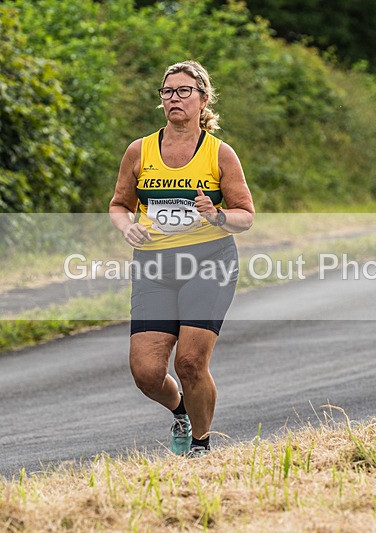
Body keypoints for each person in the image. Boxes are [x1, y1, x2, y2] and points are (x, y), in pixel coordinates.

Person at [109, 60, 254, 456]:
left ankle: (201, 448)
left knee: (189, 363)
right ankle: (181, 412)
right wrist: (126, 227)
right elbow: (119, 204)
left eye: (184, 91)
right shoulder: (138, 151)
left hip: (209, 263)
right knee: (147, 372)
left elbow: (246, 215)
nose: (174, 98)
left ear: (203, 99)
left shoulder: (220, 154)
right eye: (167, 92)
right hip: (155, 267)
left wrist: (218, 215)